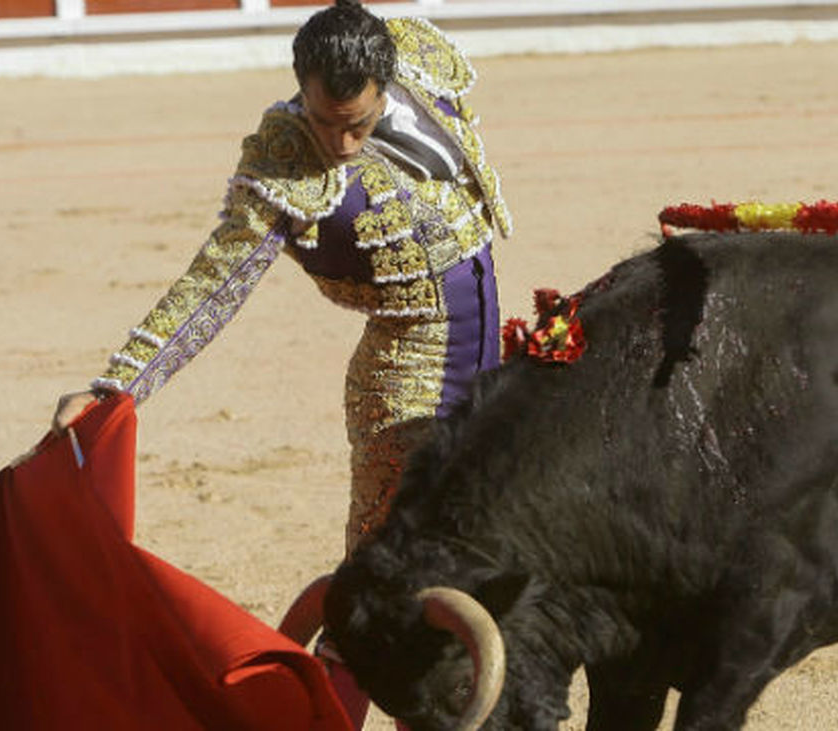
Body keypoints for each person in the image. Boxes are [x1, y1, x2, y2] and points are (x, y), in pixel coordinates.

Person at [52, 1, 511, 725]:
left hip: (490, 363)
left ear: (386, 81)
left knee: (479, 546)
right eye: (325, 121)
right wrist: (119, 384)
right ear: (301, 86)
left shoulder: (416, 60)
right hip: (403, 377)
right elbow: (215, 282)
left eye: (357, 121)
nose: (342, 141)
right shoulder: (283, 157)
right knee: (383, 576)